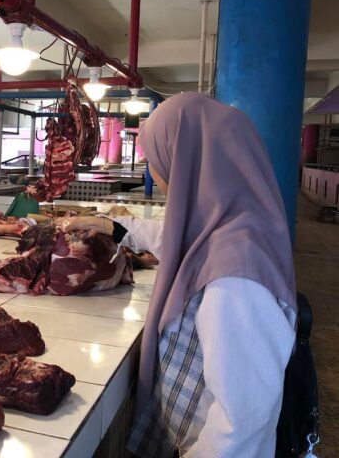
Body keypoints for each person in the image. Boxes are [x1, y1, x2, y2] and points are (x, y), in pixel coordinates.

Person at [67, 92, 297, 457]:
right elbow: (178, 240)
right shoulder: (233, 229)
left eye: (154, 158)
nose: (153, 171)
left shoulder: (236, 276)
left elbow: (240, 428)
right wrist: (114, 226)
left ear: (186, 161)